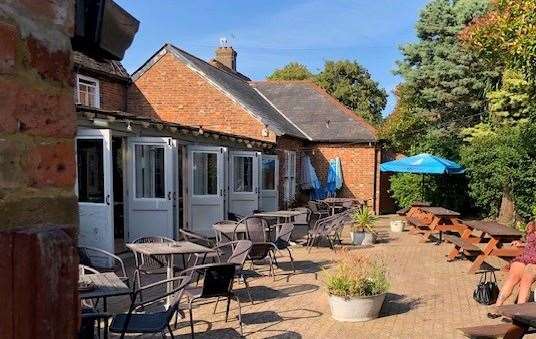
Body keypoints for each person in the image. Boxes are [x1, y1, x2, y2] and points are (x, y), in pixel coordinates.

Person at [493, 221, 536, 308]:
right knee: (513, 278)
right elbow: (531, 244)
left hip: (531, 259)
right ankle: (500, 307)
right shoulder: (533, 225)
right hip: (527, 257)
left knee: (525, 280)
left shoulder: (533, 225)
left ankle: (516, 309)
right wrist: (522, 244)